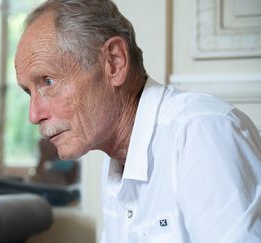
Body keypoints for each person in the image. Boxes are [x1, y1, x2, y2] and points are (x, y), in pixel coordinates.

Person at [14, 0, 261, 242]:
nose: (34, 115)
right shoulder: (115, 159)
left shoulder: (202, 132)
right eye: (29, 92)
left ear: (114, 62)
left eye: (48, 81)